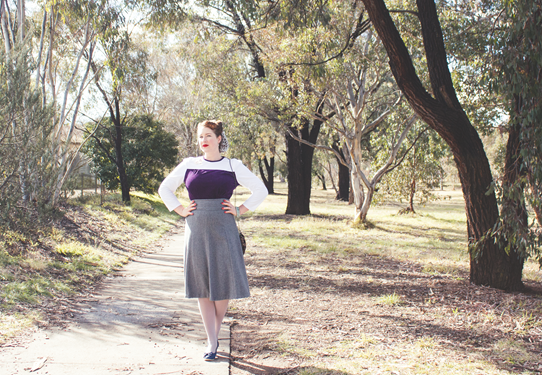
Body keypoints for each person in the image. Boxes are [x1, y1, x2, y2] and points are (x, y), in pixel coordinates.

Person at [158, 120, 268, 361]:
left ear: (219, 138)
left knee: (223, 284)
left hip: (224, 229)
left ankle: (214, 335)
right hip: (196, 229)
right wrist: (179, 209)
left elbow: (261, 189)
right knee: (202, 287)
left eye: (208, 135)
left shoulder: (232, 165)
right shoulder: (189, 164)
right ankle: (211, 341)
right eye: (200, 137)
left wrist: (240, 209)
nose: (203, 140)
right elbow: (164, 189)